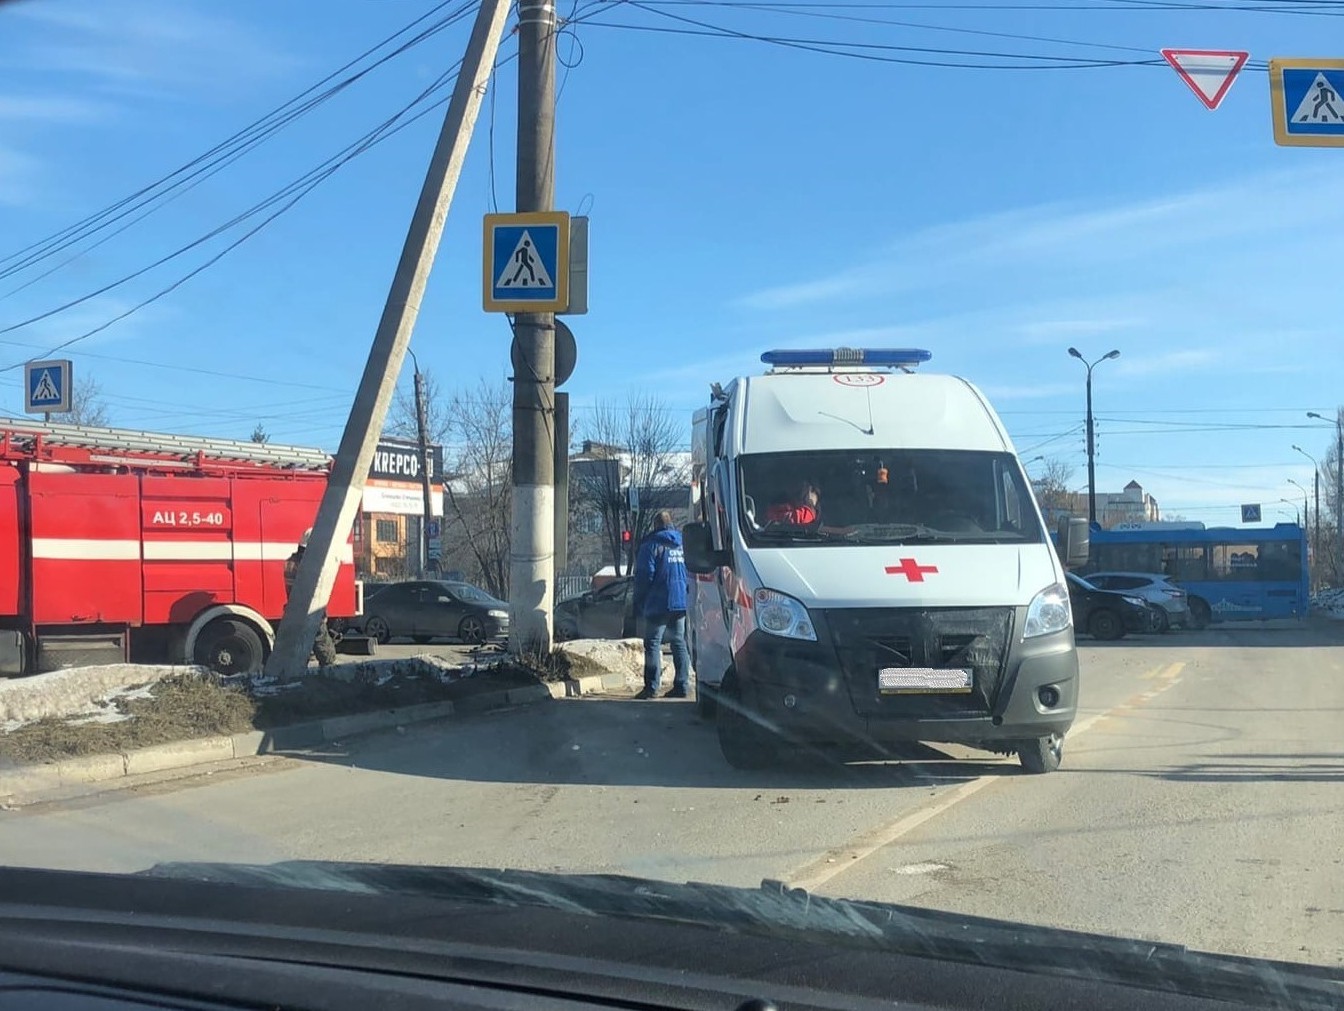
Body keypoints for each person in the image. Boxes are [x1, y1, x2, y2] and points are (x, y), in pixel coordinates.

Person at [632, 510, 691, 700]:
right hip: (681, 601)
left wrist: (639, 600)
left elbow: (644, 575)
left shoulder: (651, 544)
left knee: (652, 644)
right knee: (679, 642)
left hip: (658, 602)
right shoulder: (682, 543)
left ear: (655, 525)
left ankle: (652, 687)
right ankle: (682, 685)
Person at [284, 529, 338, 667]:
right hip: (310, 611)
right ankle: (330, 677)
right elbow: (315, 591)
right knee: (325, 651)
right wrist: (322, 614)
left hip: (293, 611)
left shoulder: (290, 561)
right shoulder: (309, 564)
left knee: (298, 652)